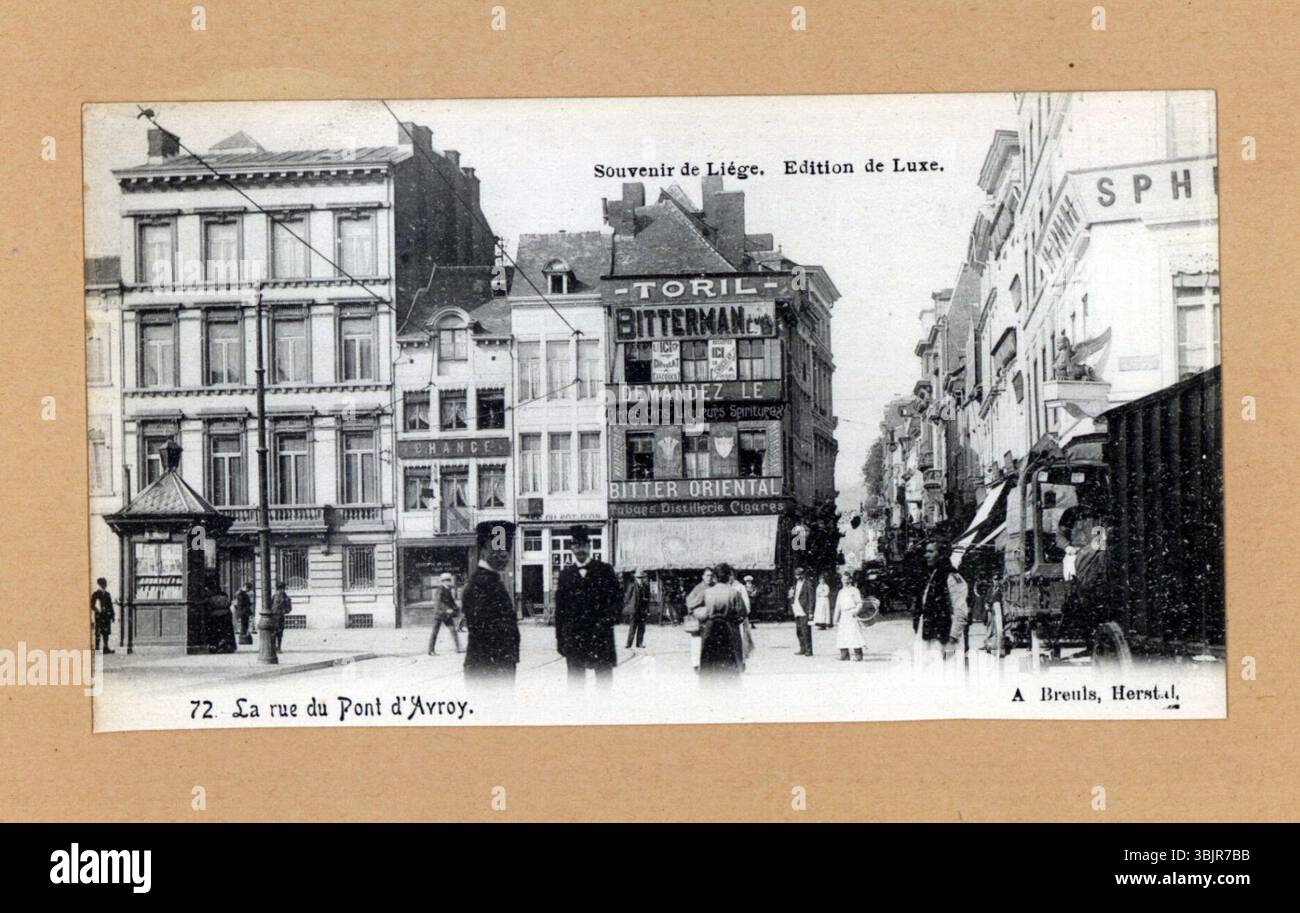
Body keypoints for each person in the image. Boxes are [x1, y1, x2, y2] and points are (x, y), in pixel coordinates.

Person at [554, 526, 623, 687]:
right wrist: (560, 639)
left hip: (600, 637)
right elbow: (560, 611)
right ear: (571, 548)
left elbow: (618, 601)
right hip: (574, 639)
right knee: (575, 684)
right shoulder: (566, 575)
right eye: (576, 546)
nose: (580, 550)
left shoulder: (605, 570)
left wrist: (607, 621)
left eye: (584, 545)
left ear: (590, 547)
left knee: (604, 684)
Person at [462, 522, 520, 683]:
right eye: (497, 549)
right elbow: (486, 634)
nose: (503, 555)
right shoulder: (482, 584)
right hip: (490, 671)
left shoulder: (490, 580)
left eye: (506, 550)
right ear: (483, 550)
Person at [914, 539, 970, 663]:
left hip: (945, 639)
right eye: (926, 552)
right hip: (930, 637)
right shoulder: (934, 575)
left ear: (942, 554)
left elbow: (960, 610)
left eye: (930, 551)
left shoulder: (952, 577)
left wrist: (952, 640)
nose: (926, 555)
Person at [697, 563, 748, 678]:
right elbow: (742, 613)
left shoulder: (707, 592)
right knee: (730, 660)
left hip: (711, 628)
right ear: (728, 576)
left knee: (710, 660)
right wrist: (734, 622)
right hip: (729, 627)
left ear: (715, 577)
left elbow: (698, 609)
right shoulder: (735, 593)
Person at [685, 568, 714, 670]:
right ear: (702, 576)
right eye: (707, 575)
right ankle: (696, 664)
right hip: (700, 619)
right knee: (697, 641)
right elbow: (689, 602)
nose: (709, 578)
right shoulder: (699, 588)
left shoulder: (714, 587)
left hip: (711, 619)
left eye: (711, 575)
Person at [834, 569, 866, 661]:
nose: (845, 581)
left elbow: (860, 603)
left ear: (850, 580)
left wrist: (856, 611)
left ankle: (858, 656)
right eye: (843, 579)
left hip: (852, 614)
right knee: (842, 635)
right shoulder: (841, 592)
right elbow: (838, 606)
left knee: (855, 634)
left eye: (846, 579)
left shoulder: (855, 590)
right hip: (843, 615)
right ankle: (844, 655)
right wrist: (835, 618)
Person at [428, 572, 463, 656]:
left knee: (453, 630)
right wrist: (447, 609)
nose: (450, 581)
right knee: (435, 632)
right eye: (448, 580)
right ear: (443, 581)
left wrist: (457, 610)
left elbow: (452, 602)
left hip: (447, 615)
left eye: (449, 580)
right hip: (439, 614)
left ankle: (458, 648)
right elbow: (439, 602)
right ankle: (431, 650)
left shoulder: (448, 589)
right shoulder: (440, 589)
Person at [205, 573, 236, 654]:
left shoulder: (210, 597)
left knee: (215, 633)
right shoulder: (224, 596)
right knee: (227, 632)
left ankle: (216, 646)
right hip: (226, 615)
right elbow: (229, 603)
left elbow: (209, 605)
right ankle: (227, 645)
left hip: (214, 616)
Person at [790, 565, 815, 656]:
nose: (797, 577)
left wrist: (811, 611)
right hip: (796, 609)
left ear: (803, 575)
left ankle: (809, 650)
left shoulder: (808, 583)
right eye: (796, 575)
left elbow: (811, 599)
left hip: (804, 610)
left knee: (806, 631)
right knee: (799, 630)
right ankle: (802, 648)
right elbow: (794, 595)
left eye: (799, 575)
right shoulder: (795, 584)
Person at [624, 569, 651, 649]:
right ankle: (628, 644)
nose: (640, 579)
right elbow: (627, 598)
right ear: (635, 578)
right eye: (638, 578)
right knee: (632, 627)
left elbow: (648, 599)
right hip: (634, 609)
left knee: (642, 627)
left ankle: (639, 643)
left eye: (641, 578)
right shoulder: (632, 585)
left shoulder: (646, 586)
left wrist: (647, 610)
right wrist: (629, 607)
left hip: (642, 610)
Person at [90, 578, 115, 655]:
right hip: (99, 616)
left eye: (104, 584)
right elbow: (92, 605)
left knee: (106, 632)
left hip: (107, 616)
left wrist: (112, 615)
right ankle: (97, 649)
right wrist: (97, 610)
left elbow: (110, 606)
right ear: (99, 584)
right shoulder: (95, 594)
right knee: (98, 632)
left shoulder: (107, 594)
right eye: (102, 584)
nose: (104, 585)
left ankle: (105, 647)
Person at [271, 581, 292, 652]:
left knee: (277, 632)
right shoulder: (279, 596)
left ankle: (277, 647)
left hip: (277, 616)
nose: (281, 590)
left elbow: (289, 608)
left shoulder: (278, 596)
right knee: (277, 632)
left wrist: (285, 610)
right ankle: (276, 647)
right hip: (276, 616)